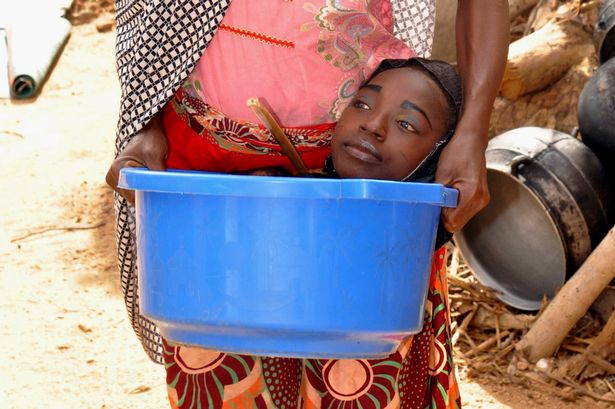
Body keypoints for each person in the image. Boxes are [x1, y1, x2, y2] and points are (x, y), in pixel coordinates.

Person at [106, 0, 508, 404]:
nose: (376, 119)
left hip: (362, 189)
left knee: (360, 373)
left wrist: (471, 133)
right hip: (207, 189)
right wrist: (147, 121)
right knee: (221, 369)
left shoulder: (374, 135)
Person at [159, 56, 463, 408]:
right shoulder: (275, 206)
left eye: (407, 124)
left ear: (441, 157)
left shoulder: (406, 270)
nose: (373, 125)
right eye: (362, 104)